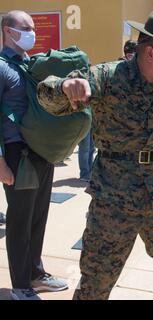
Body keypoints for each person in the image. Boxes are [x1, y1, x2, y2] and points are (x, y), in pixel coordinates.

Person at [37, 7, 153, 300]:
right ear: (149, 53)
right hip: (113, 198)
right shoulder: (108, 76)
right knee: (96, 281)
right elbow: (48, 94)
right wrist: (65, 87)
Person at [0, 10, 68, 300]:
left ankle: (35, 273)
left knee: (38, 217)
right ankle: (20, 286)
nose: (32, 32)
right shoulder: (1, 67)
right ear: (7, 30)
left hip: (40, 151)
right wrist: (0, 162)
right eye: (25, 27)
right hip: (17, 154)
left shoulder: (29, 64)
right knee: (19, 222)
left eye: (32, 27)